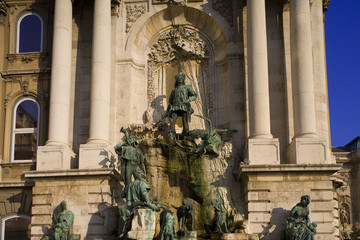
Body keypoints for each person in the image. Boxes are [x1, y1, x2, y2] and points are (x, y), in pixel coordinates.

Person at [162, 72, 197, 139]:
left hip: (184, 107)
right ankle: (172, 133)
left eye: (181, 78)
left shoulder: (187, 87)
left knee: (185, 121)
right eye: (178, 78)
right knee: (172, 120)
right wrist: (166, 113)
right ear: (176, 80)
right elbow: (170, 103)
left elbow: (194, 95)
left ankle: (186, 133)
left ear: (183, 79)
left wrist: (188, 100)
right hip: (175, 107)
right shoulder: (174, 91)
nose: (180, 79)